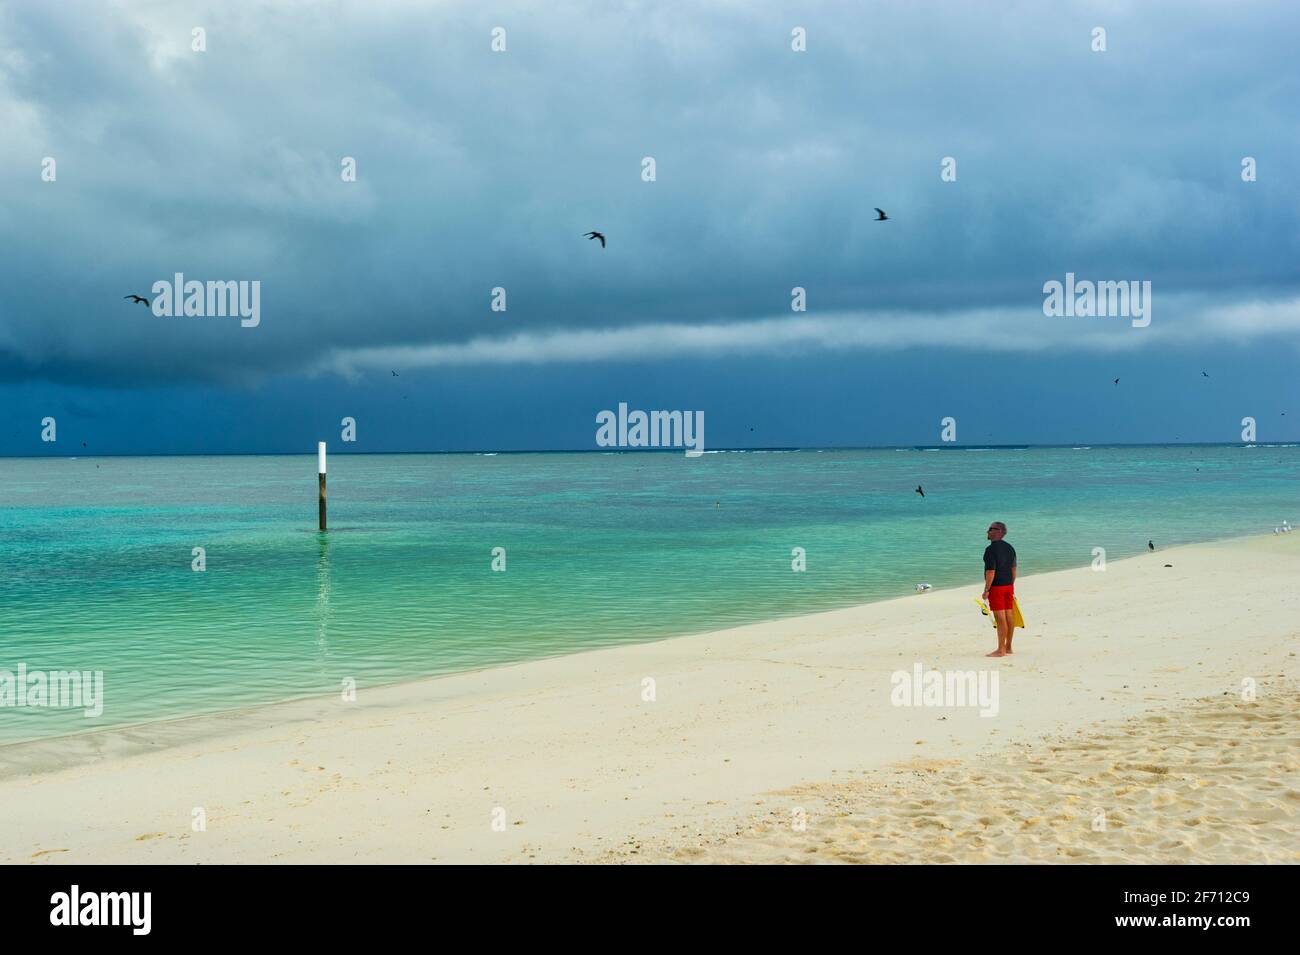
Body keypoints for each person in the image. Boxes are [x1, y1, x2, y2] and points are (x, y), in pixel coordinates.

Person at [982, 521, 1017, 657]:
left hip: (997, 587)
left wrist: (986, 589)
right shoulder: (1010, 547)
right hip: (1008, 586)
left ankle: (1000, 650)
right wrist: (1011, 584)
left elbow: (991, 571)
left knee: (1000, 618)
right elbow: (1014, 568)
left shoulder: (990, 550)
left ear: (999, 532)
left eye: (991, 529)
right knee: (1009, 615)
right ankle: (1008, 647)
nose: (988, 531)